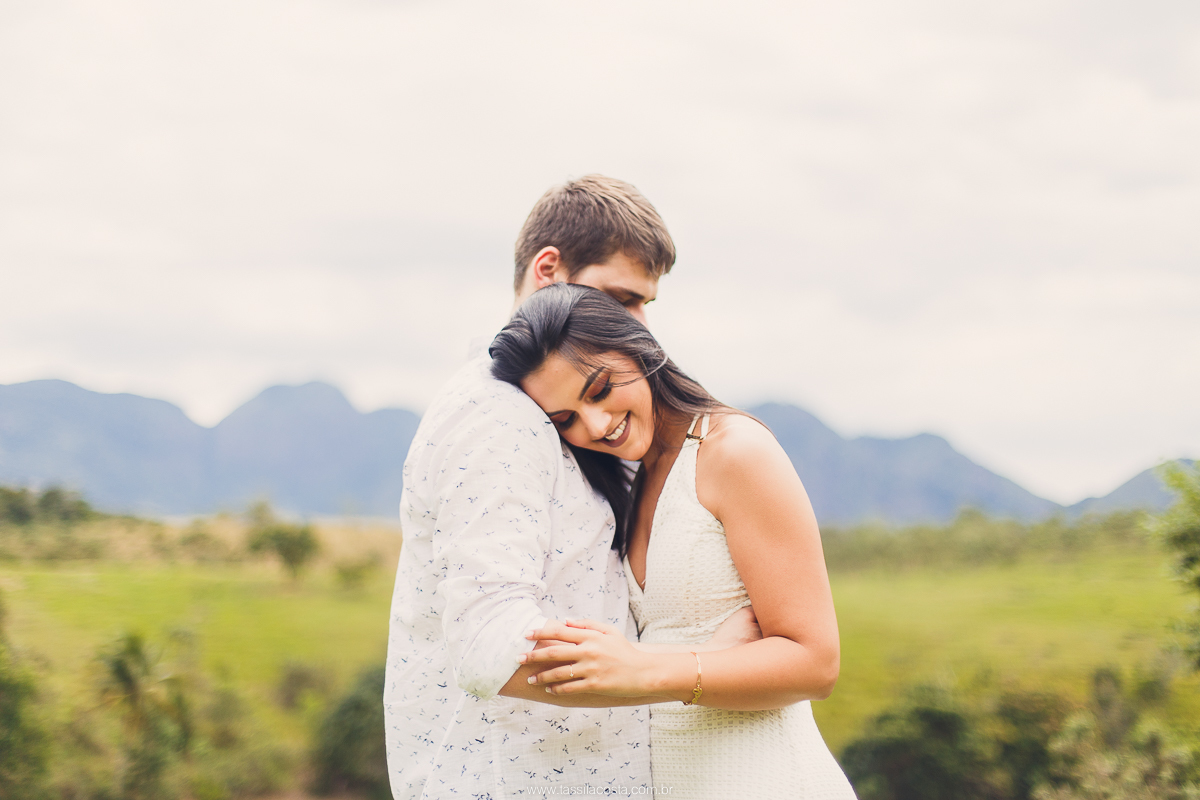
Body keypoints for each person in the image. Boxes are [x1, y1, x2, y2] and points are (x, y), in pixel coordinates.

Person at [384, 175, 758, 800]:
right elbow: (490, 642)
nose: (640, 324)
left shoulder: (565, 418)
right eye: (622, 298)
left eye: (645, 304)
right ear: (548, 270)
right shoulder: (497, 416)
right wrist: (679, 671)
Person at [489, 283, 858, 799]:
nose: (596, 425)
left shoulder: (734, 452)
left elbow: (816, 664)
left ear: (637, 347)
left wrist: (643, 668)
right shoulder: (636, 481)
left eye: (600, 389)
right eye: (566, 419)